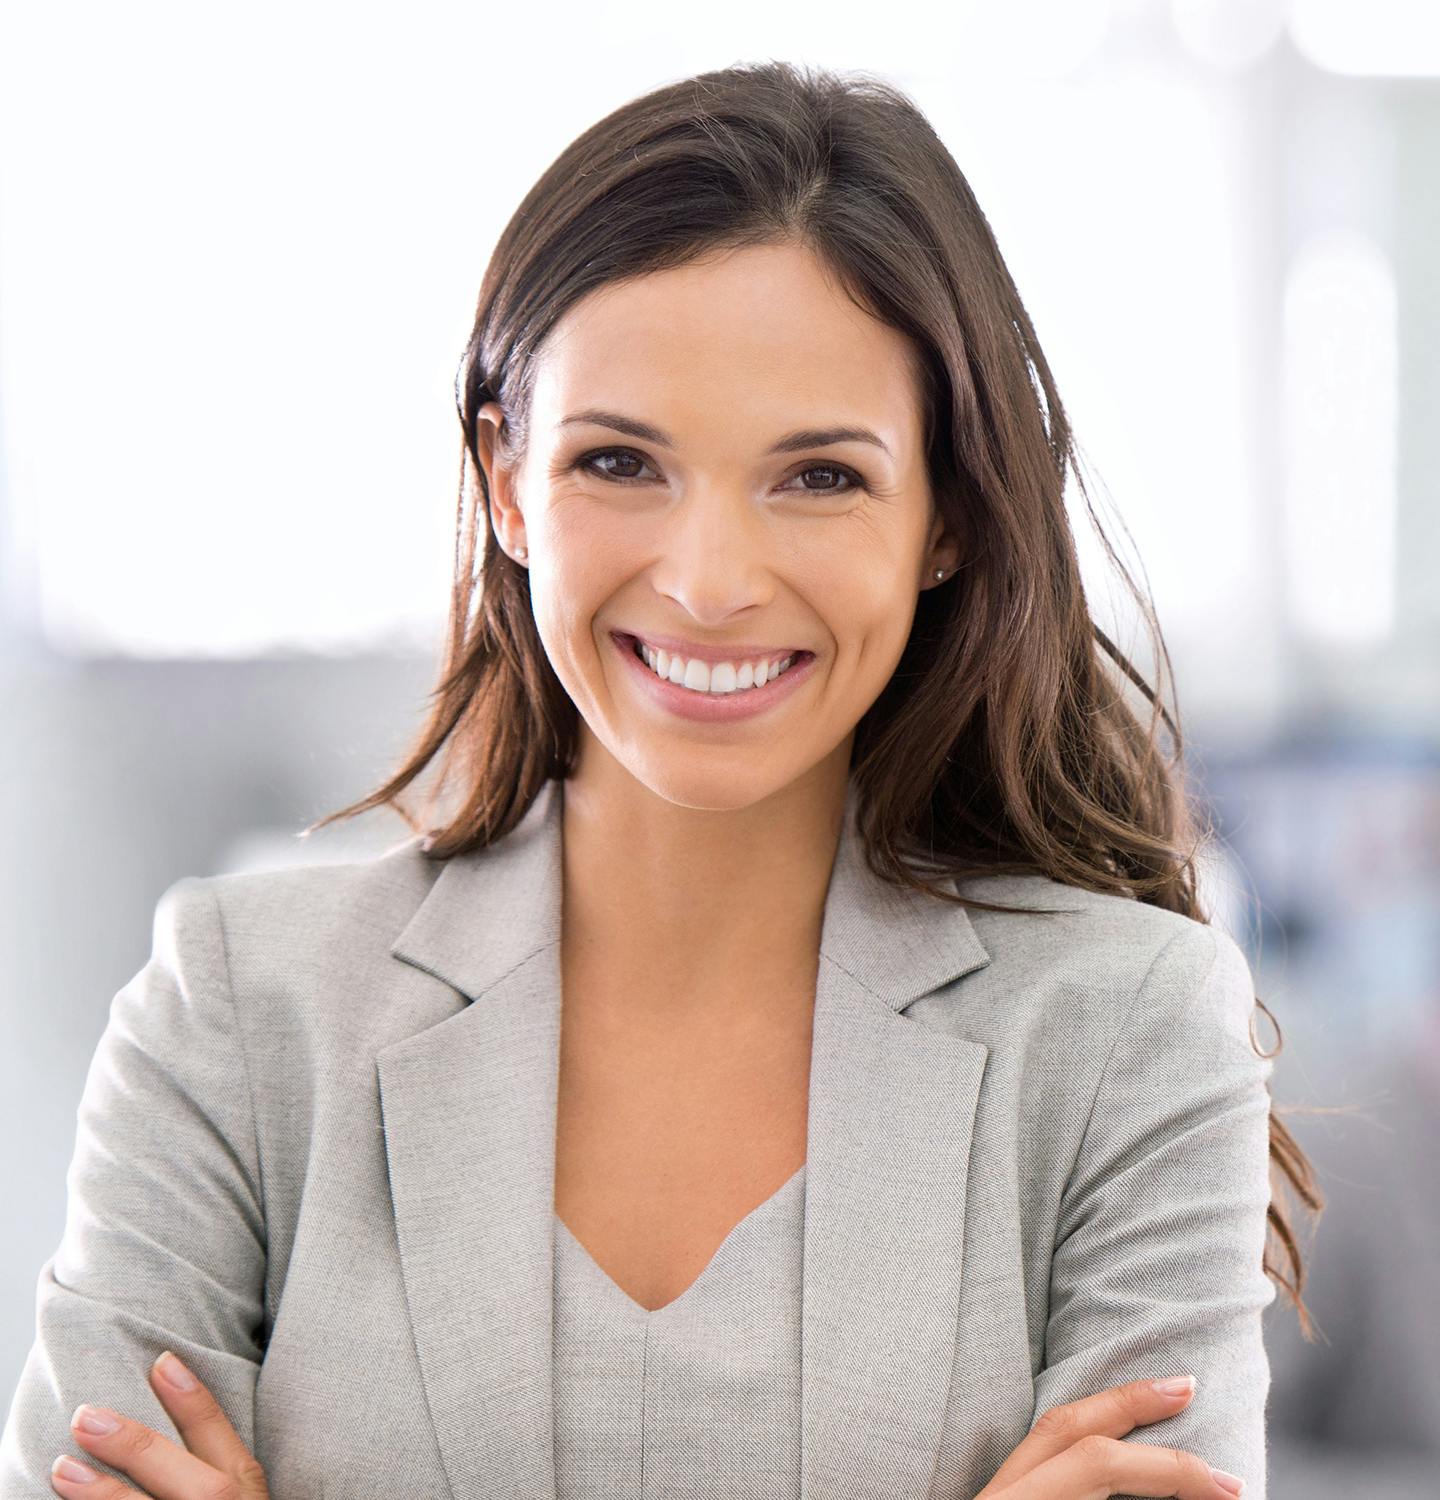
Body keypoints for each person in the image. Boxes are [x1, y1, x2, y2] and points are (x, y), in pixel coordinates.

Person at [0, 60, 1321, 1500]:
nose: (706, 583)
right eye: (621, 461)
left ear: (947, 515)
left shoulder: (1128, 1033)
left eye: (819, 477)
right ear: (508, 481)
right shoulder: (240, 1013)